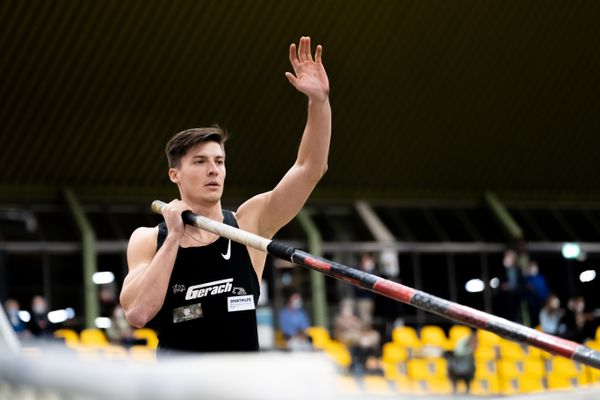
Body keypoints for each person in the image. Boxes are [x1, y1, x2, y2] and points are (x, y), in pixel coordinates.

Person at [120, 36, 331, 355]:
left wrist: (319, 103)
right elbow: (137, 313)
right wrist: (175, 237)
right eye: (200, 162)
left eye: (219, 161)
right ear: (174, 174)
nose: (213, 170)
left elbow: (310, 168)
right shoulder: (149, 239)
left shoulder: (249, 225)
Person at [446, 330, 477, 394]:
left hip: (467, 368)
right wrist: (470, 350)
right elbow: (459, 353)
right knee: (452, 370)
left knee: (471, 371)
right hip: (457, 366)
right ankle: (455, 390)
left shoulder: (471, 346)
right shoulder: (462, 342)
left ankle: (467, 390)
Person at [523, 261, 550, 327]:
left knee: (542, 321)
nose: (533, 269)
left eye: (534, 267)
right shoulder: (527, 279)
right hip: (531, 305)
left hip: (542, 303)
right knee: (533, 322)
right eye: (531, 267)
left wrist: (545, 301)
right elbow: (525, 294)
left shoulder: (541, 278)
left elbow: (545, 291)